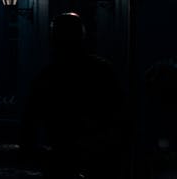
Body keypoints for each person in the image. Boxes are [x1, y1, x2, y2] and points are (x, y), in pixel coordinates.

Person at [21, 12, 127, 179]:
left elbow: (30, 119)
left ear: (54, 40)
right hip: (98, 155)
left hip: (63, 155)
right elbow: (119, 113)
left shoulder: (49, 76)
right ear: (82, 36)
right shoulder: (101, 70)